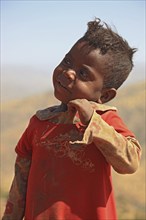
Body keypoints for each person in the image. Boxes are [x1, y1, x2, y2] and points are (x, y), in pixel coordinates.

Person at [2, 18, 142, 220]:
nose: (68, 72)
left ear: (105, 96)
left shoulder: (105, 120)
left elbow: (130, 163)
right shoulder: (39, 122)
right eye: (67, 61)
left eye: (83, 73)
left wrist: (94, 122)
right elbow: (20, 182)